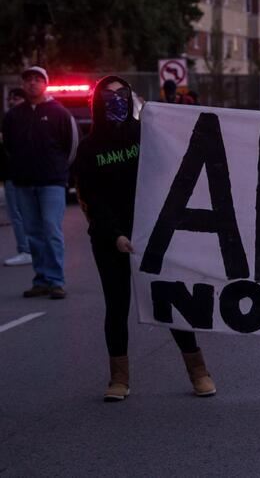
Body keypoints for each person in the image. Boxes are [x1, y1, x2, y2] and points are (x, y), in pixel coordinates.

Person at [73, 76, 216, 401]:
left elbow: (169, 175)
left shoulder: (146, 133)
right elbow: (91, 199)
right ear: (97, 103)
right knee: (117, 305)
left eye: (122, 94)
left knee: (170, 300)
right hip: (112, 239)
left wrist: (160, 225)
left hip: (153, 233)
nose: (116, 101)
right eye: (108, 97)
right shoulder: (90, 148)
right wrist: (117, 235)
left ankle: (199, 372)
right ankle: (119, 379)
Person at [2, 67, 78, 299]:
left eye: (37, 80)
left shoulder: (59, 113)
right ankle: (41, 279)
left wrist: (60, 171)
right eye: (28, 80)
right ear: (23, 85)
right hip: (24, 183)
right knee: (33, 232)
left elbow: (72, 146)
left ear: (45, 84)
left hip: (52, 182)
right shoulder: (13, 116)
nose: (32, 83)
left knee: (51, 229)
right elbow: (8, 148)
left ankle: (56, 280)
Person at [2, 88, 31, 267]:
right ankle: (31, 249)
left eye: (17, 98)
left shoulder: (19, 119)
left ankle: (26, 249)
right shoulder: (13, 117)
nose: (12, 101)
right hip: (18, 173)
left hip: (16, 174)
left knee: (18, 214)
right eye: (11, 98)